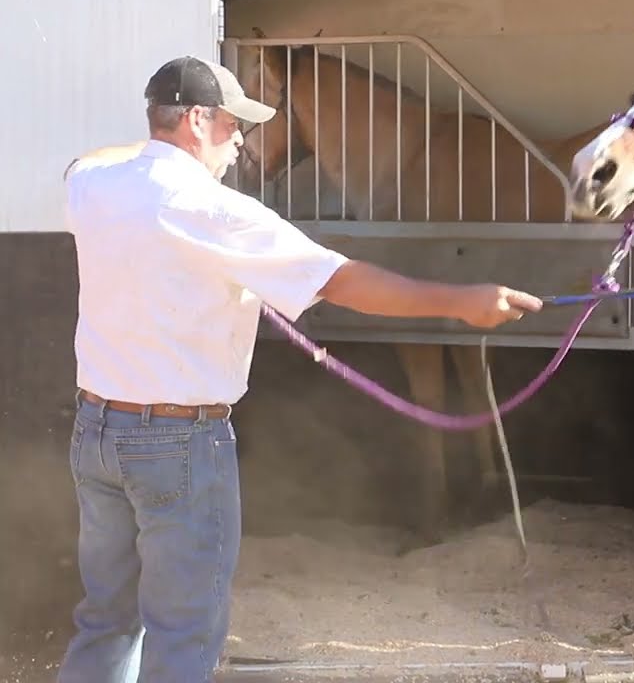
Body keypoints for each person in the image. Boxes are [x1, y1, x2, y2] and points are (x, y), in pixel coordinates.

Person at [55, 55, 543, 683]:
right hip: (178, 443)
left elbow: (81, 161)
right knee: (185, 628)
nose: (241, 141)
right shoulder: (215, 210)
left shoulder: (95, 188)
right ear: (198, 121)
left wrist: (150, 141)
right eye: (234, 125)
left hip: (96, 432)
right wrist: (461, 301)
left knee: (107, 620)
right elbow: (341, 280)